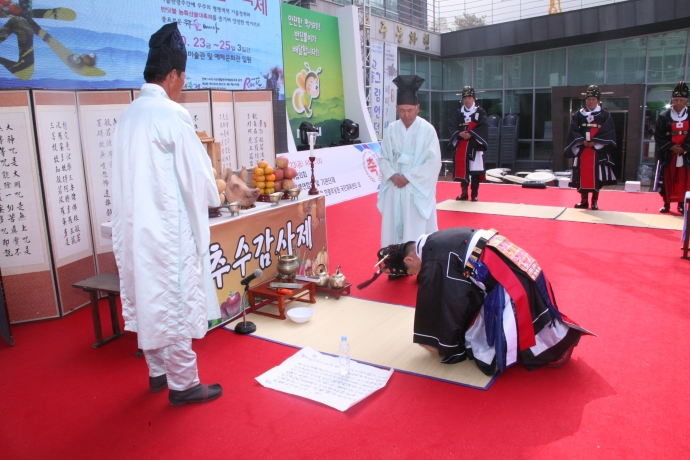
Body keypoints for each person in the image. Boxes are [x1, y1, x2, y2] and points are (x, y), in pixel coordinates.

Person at [112, 23, 222, 406]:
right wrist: (214, 189)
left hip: (134, 228)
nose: (182, 85)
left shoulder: (128, 115)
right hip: (165, 229)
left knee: (148, 297)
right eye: (183, 78)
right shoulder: (171, 114)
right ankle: (184, 384)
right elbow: (198, 177)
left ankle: (157, 373)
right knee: (173, 303)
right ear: (173, 75)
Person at [358, 227, 592, 376]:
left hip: (509, 281)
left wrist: (440, 342)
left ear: (410, 258)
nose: (413, 276)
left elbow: (449, 302)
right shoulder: (436, 240)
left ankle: (557, 346)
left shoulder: (435, 258)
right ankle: (556, 334)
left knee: (484, 347)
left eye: (410, 271)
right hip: (520, 266)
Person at [377, 74, 441, 253]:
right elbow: (383, 158)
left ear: (418, 108)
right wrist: (393, 175)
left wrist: (409, 177)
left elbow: (433, 162)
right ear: (396, 108)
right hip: (394, 188)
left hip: (415, 190)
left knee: (416, 229)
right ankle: (393, 263)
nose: (406, 114)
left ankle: (417, 263)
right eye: (402, 110)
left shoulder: (427, 130)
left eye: (410, 110)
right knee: (392, 227)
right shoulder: (391, 129)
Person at [564, 85, 617, 210]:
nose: (591, 102)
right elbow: (573, 130)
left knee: (597, 175)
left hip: (598, 150)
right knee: (581, 174)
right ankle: (583, 200)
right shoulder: (578, 115)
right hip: (582, 149)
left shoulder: (605, 115)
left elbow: (608, 131)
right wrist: (582, 141)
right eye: (588, 99)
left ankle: (594, 201)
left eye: (593, 99)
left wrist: (596, 142)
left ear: (598, 100)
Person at [654, 81, 690, 214]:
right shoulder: (664, 116)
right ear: (672, 101)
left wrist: (685, 147)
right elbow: (659, 135)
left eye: (681, 100)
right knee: (667, 180)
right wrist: (672, 147)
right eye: (675, 100)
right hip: (668, 155)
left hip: (686, 154)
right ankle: (667, 203)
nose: (678, 103)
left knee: (684, 180)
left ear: (686, 101)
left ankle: (682, 204)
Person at [448, 86, 488, 202]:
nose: (467, 100)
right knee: (463, 169)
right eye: (465, 98)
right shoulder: (458, 112)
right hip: (461, 145)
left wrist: (471, 134)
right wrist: (460, 133)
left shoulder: (480, 112)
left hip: (474, 144)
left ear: (473, 99)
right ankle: (464, 193)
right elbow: (451, 126)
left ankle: (474, 194)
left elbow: (483, 126)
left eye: (470, 97)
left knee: (474, 170)